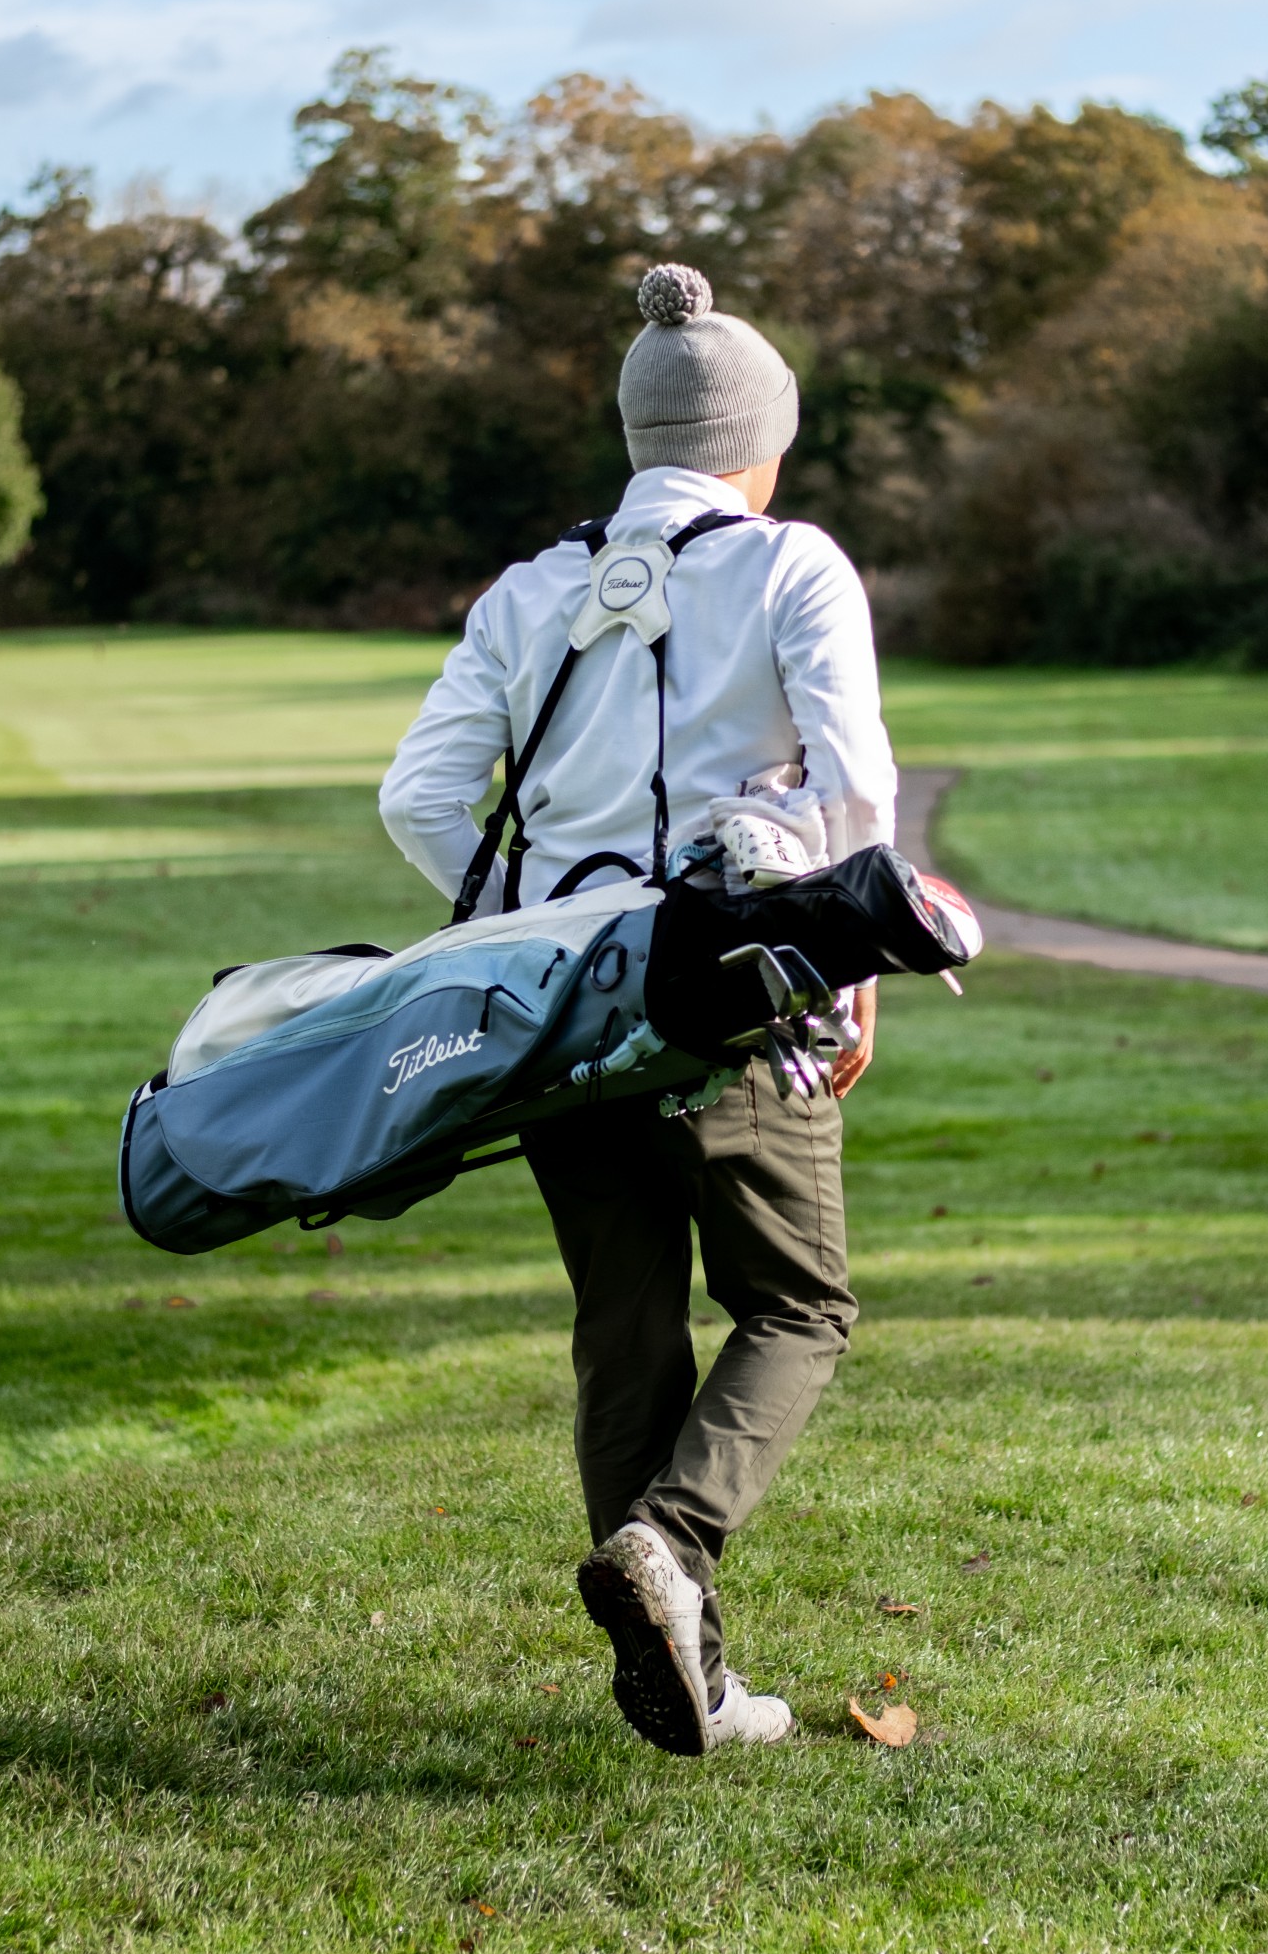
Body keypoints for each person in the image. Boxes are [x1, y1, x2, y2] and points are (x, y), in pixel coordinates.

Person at [380, 263, 898, 1757]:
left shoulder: (530, 586)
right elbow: (855, 784)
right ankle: (673, 1541)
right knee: (799, 1302)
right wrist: (850, 976)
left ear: (635, 431)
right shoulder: (795, 563)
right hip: (730, 995)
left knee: (624, 1328)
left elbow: (418, 797)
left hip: (556, 1002)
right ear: (763, 435)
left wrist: (523, 923)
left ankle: (687, 1680)